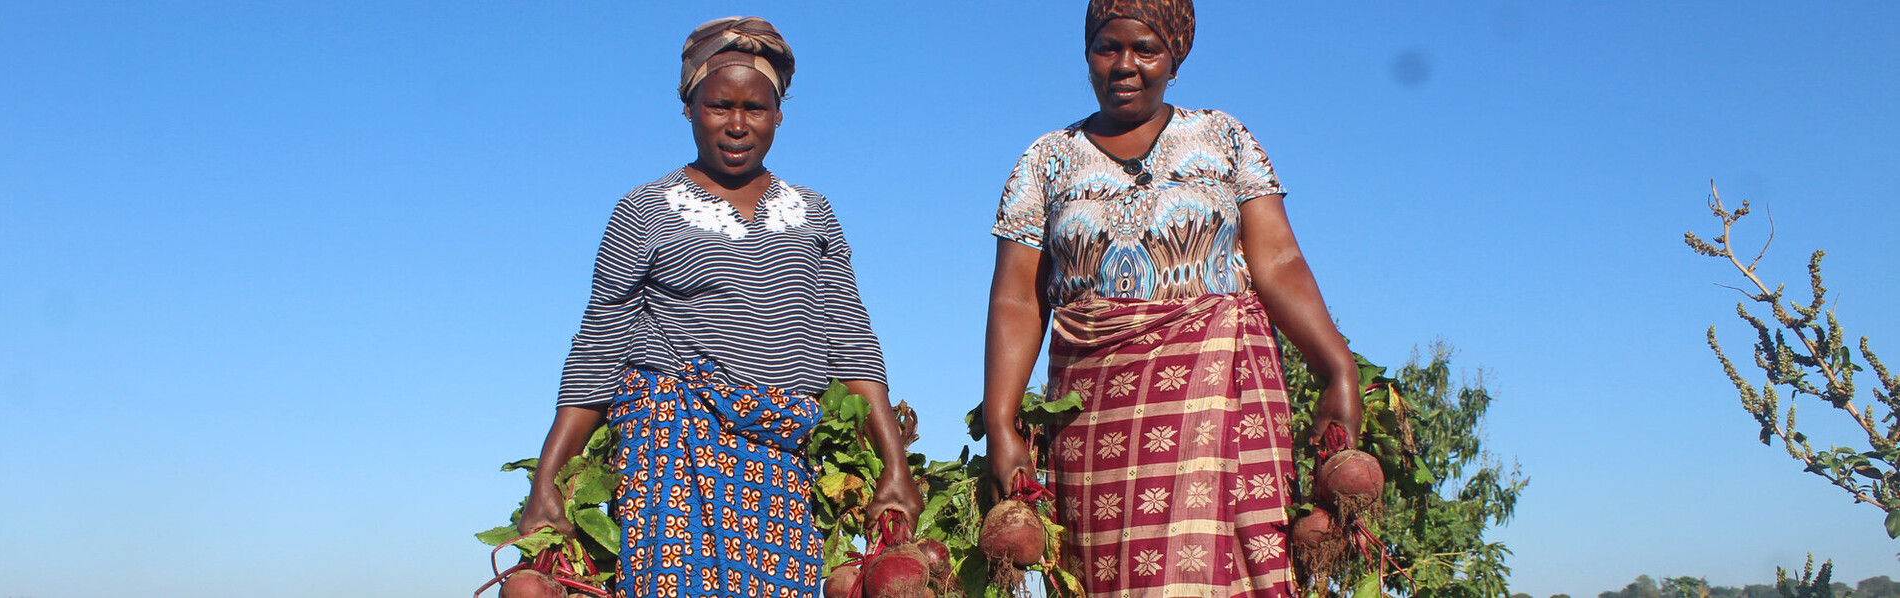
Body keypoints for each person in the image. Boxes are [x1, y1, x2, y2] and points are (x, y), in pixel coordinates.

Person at [515, 16, 922, 598]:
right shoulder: (644, 211)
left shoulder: (813, 212)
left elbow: (852, 344)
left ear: (779, 114)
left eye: (755, 109)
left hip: (784, 454)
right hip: (671, 450)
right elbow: (597, 350)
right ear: (688, 108)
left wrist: (895, 466)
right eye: (718, 107)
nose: (737, 125)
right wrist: (547, 479)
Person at [980, 1, 1361, 596]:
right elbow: (1017, 300)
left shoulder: (1224, 139)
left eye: (1145, 49)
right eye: (1108, 47)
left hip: (1223, 390)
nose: (1125, 65)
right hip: (1096, 418)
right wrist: (1001, 419)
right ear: (1087, 54)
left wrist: (1336, 364)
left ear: (1175, 57)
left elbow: (1279, 262)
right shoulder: (1045, 161)